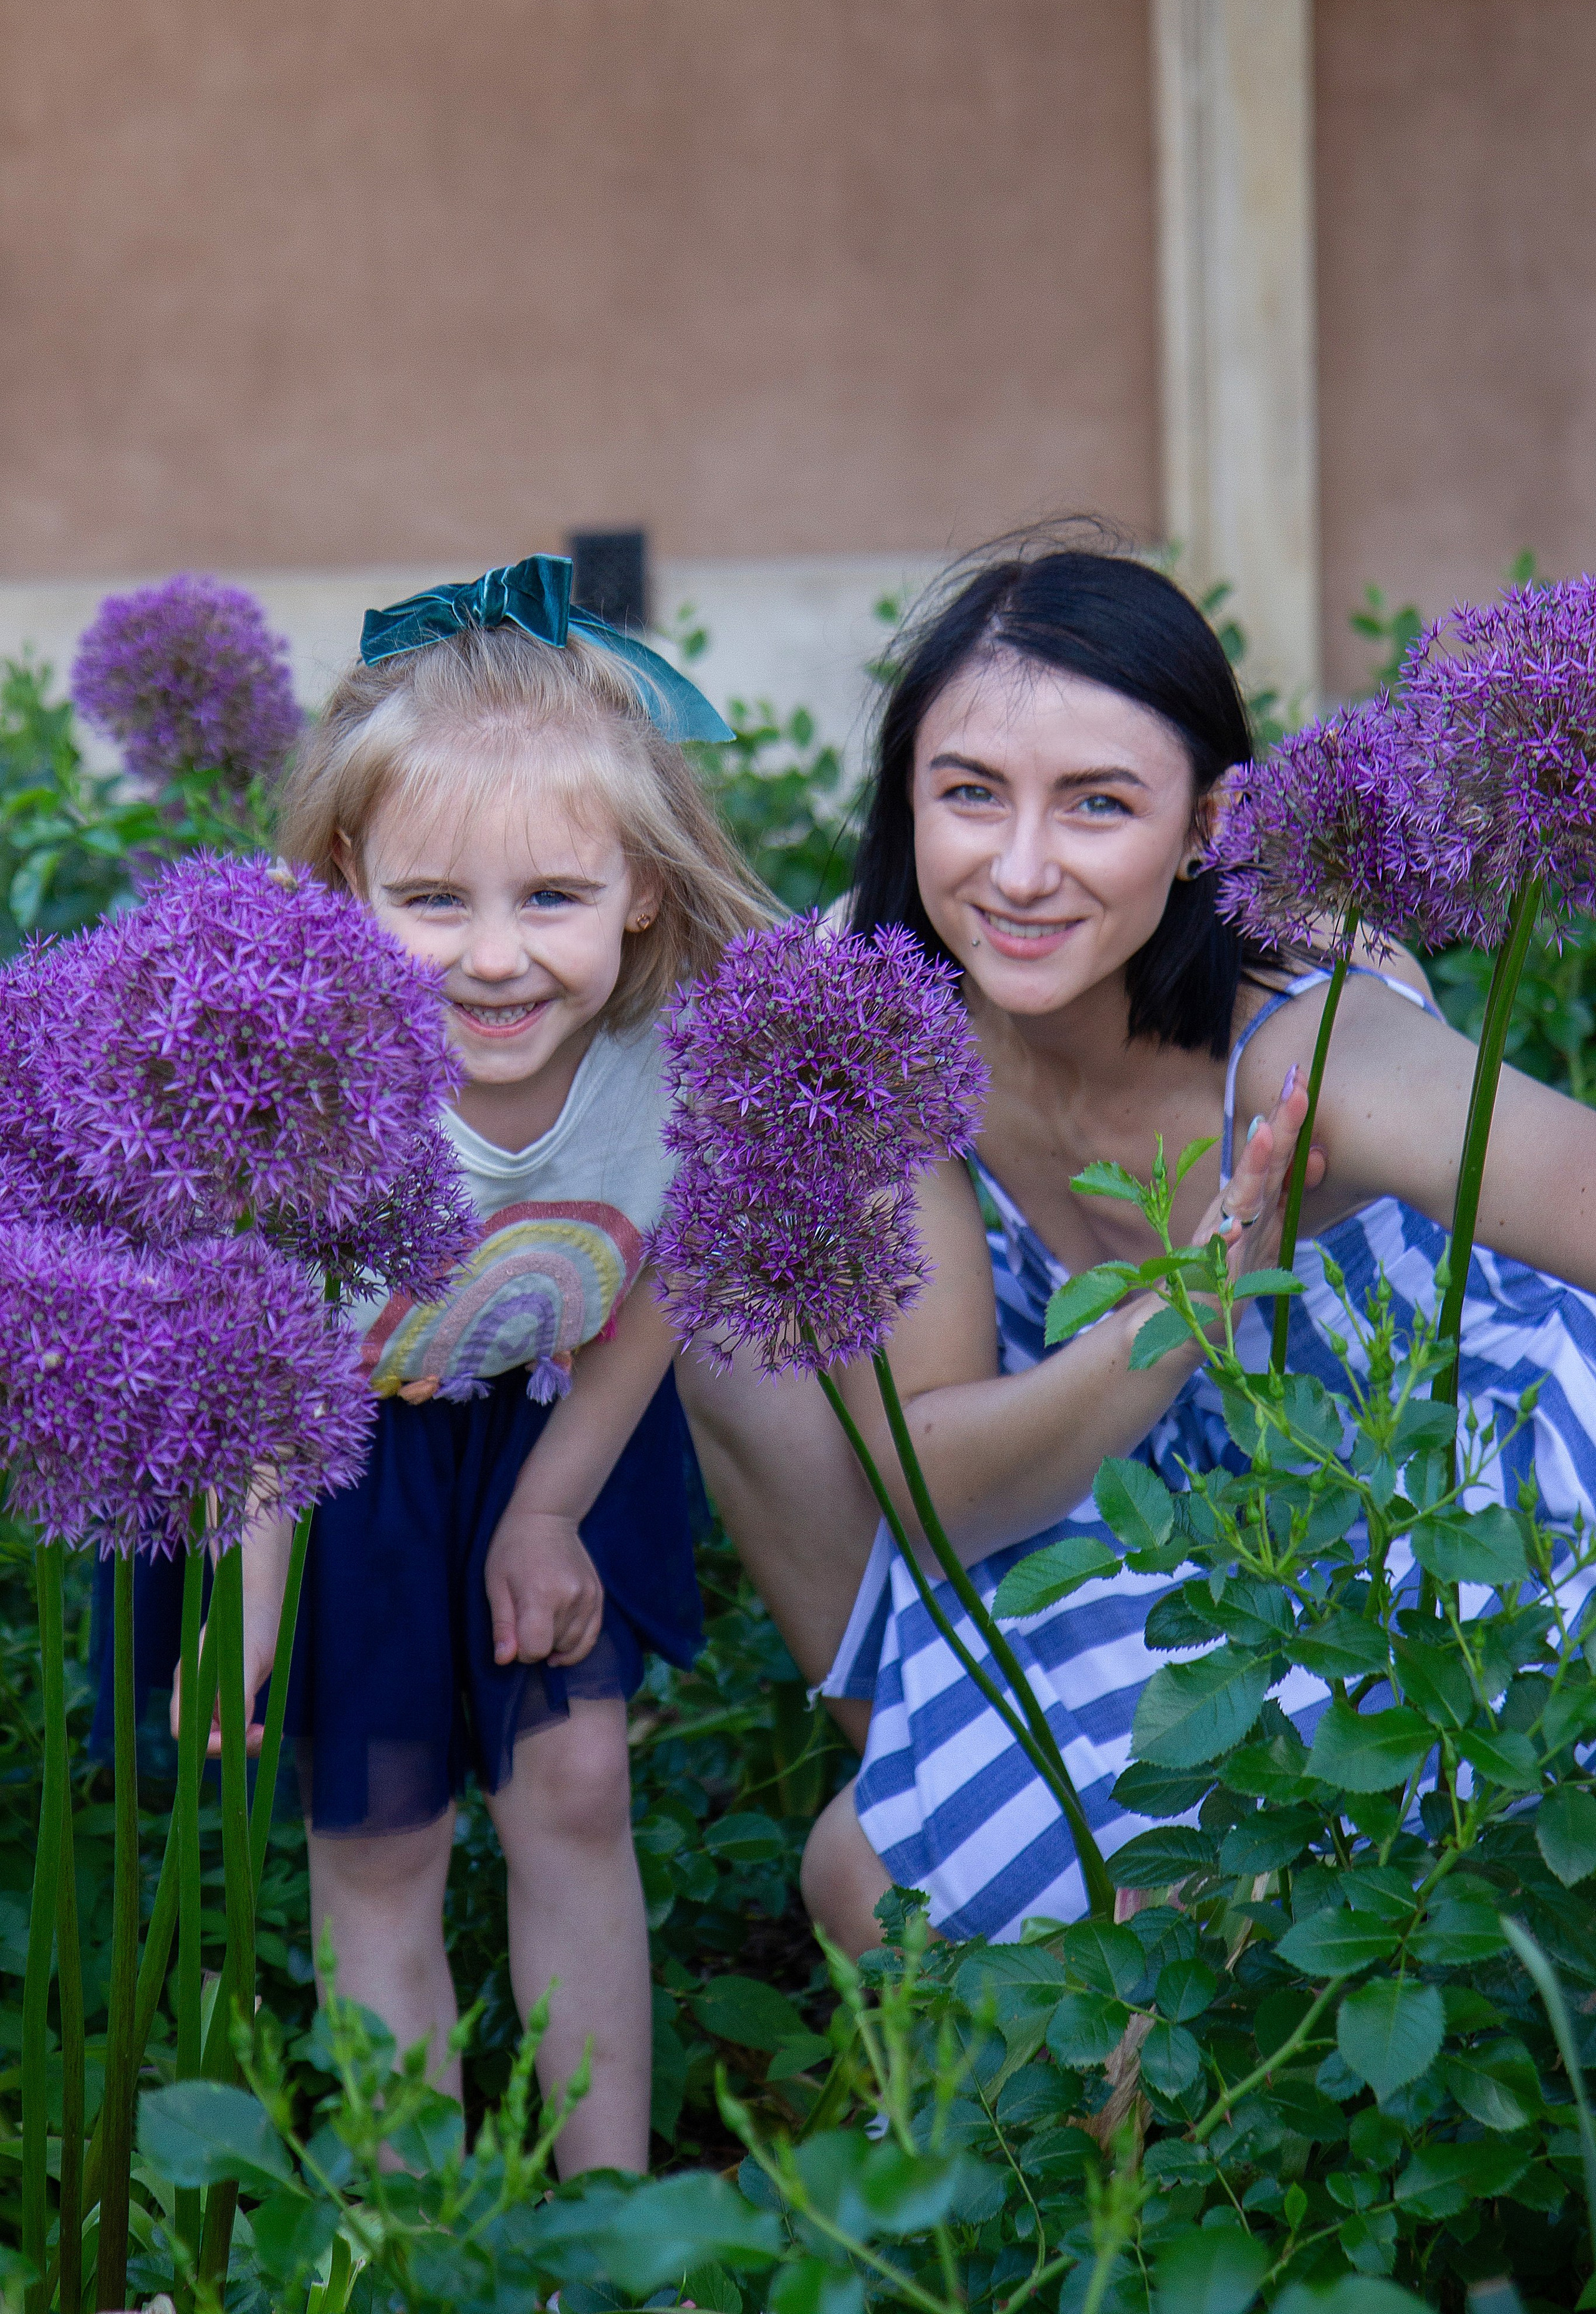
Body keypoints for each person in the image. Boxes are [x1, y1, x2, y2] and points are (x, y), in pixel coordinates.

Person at [685, 537, 1596, 1956]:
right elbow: (931, 1490)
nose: (1021, 869)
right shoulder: (874, 1016)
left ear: (1203, 827)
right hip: (1125, 1514)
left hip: (1434, 1505)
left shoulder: (1299, 1025)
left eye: (1097, 804)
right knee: (861, 1876)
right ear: (902, 795)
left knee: (1053, 1893)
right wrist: (1188, 1305)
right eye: (968, 795)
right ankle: (925, 1742)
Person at [97, 557, 769, 2175]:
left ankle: (609, 2228)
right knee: (379, 1847)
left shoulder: (668, 1059)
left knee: (579, 1793)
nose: (492, 959)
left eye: (550, 898)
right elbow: (272, 1356)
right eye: (433, 903)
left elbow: (658, 1282)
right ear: (345, 887)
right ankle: (426, 2236)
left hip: (561, 1423)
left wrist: (551, 1510)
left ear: (642, 897)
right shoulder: (329, 1092)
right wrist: (245, 1608)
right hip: (335, 1461)